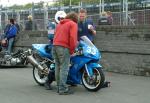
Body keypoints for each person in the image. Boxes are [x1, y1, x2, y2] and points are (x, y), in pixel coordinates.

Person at [52, 12, 78, 95]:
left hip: (55, 46)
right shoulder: (72, 24)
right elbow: (73, 38)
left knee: (57, 66)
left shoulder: (59, 24)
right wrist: (72, 50)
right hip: (63, 47)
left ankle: (59, 87)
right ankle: (63, 89)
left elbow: (55, 35)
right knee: (64, 68)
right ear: (75, 19)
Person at [44, 11, 67, 90]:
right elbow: (50, 36)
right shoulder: (52, 25)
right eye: (60, 18)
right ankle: (48, 81)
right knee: (56, 64)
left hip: (63, 46)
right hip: (53, 46)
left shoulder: (64, 25)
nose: (61, 19)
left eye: (63, 18)